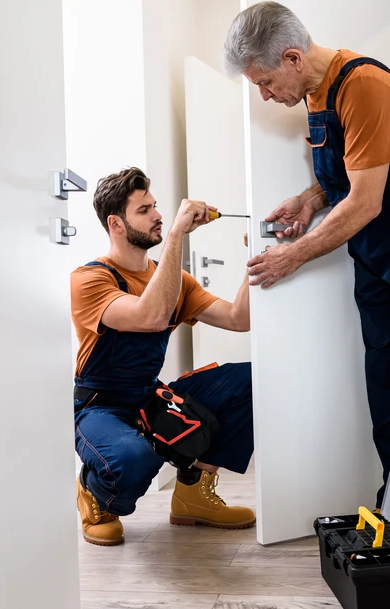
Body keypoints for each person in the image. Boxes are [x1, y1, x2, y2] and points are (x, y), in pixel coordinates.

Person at [224, 2, 390, 578]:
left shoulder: (365, 87)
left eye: (265, 82)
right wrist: (309, 199)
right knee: (386, 382)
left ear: (293, 57)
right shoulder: (315, 91)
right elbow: (352, 173)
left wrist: (292, 255)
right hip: (374, 254)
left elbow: (368, 200)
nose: (265, 96)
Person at [70, 167, 254, 546]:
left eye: (155, 206)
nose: (157, 215)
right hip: (101, 406)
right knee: (135, 458)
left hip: (149, 395)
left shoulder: (175, 281)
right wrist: (176, 235)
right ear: (116, 224)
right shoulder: (90, 279)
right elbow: (150, 317)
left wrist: (257, 254)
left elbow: (239, 319)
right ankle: (95, 493)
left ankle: (193, 494)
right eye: (144, 210)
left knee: (250, 381)